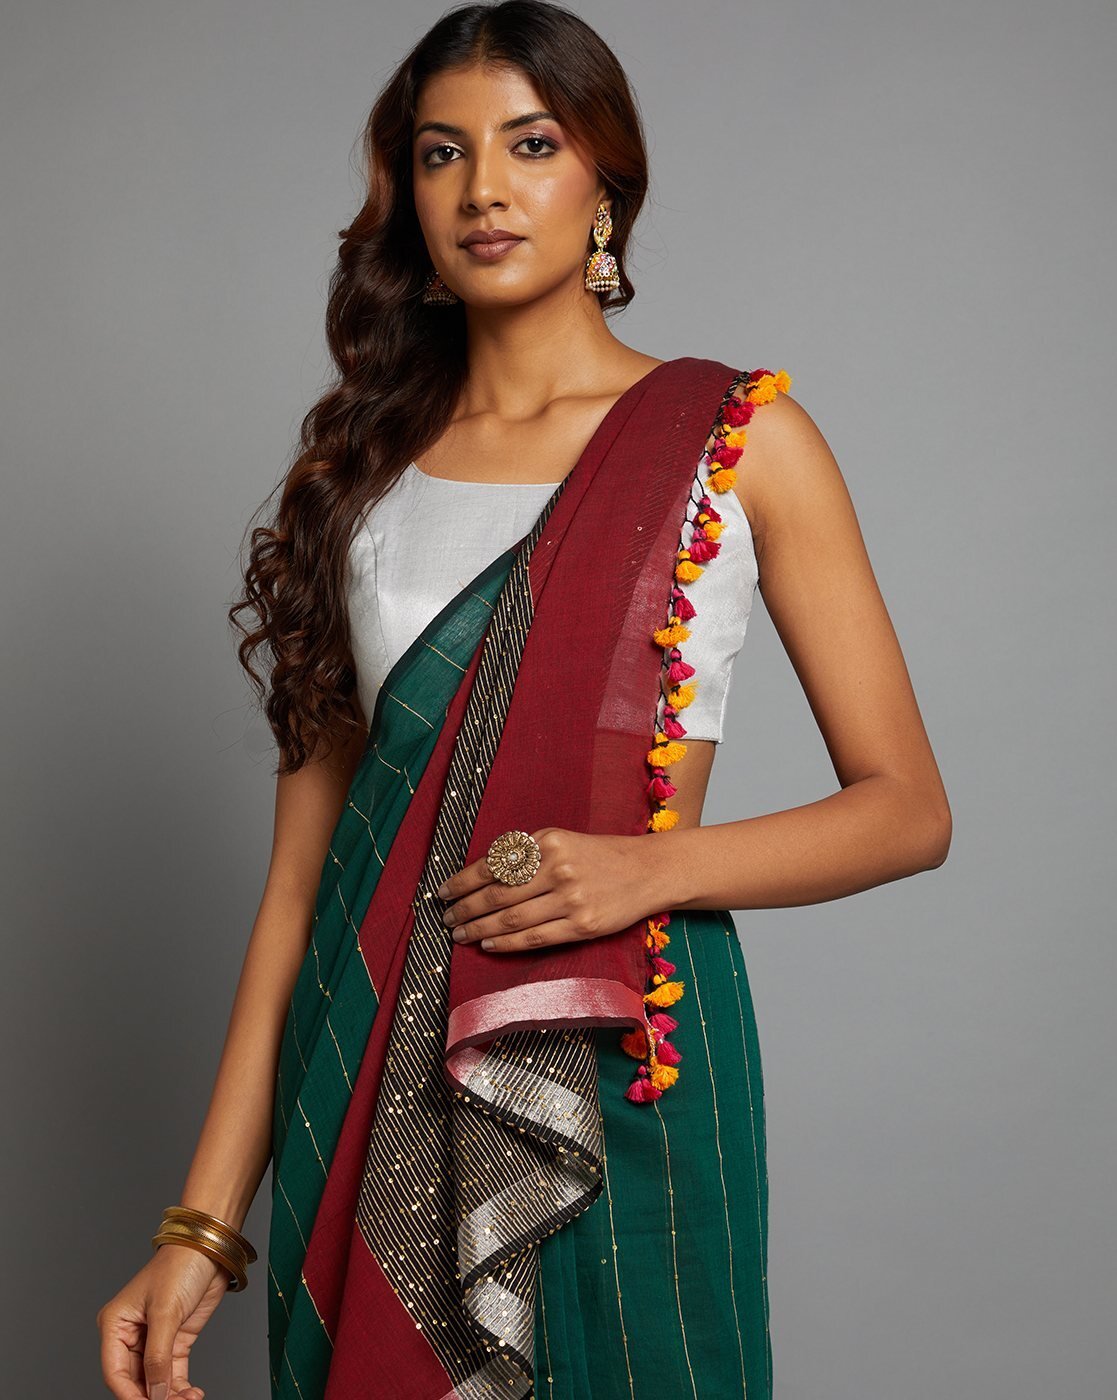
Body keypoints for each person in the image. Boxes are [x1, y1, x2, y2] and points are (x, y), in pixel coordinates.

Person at [95, 3, 952, 1397]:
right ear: (409, 194)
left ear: (605, 182)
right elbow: (301, 890)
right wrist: (201, 1229)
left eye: (531, 144)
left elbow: (907, 810)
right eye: (443, 153)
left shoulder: (736, 441)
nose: (484, 188)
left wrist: (647, 868)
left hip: (628, 1051)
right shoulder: (359, 479)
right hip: (375, 1063)